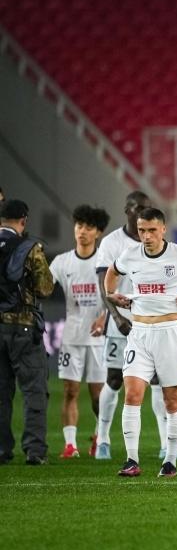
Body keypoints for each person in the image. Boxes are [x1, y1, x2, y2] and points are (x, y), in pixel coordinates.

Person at [104, 208, 177, 478]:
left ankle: (169, 462)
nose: (146, 236)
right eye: (141, 230)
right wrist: (112, 294)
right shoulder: (130, 255)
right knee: (132, 394)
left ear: (163, 229)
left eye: (151, 230)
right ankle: (131, 460)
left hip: (169, 332)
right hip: (139, 333)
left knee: (172, 399)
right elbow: (112, 272)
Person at [94, 191, 177, 461]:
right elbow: (104, 283)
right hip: (120, 323)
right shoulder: (112, 243)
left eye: (147, 209)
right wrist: (117, 318)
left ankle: (164, 444)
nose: (141, 213)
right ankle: (102, 439)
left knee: (158, 382)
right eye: (137, 209)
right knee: (114, 379)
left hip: (151, 325)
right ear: (128, 210)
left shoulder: (162, 246)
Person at [49, 205, 110, 459]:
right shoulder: (61, 262)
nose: (82, 231)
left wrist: (105, 316)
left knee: (98, 396)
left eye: (88, 227)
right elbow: (43, 287)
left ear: (98, 232)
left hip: (98, 339)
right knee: (70, 390)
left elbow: (117, 295)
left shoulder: (105, 263)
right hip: (72, 337)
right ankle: (70, 445)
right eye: (79, 226)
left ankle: (99, 436)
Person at [0, 199, 54, 465]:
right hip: (23, 326)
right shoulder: (30, 248)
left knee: (1, 392)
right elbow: (45, 288)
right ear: (24, 219)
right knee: (34, 390)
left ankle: (1, 449)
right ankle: (34, 450)